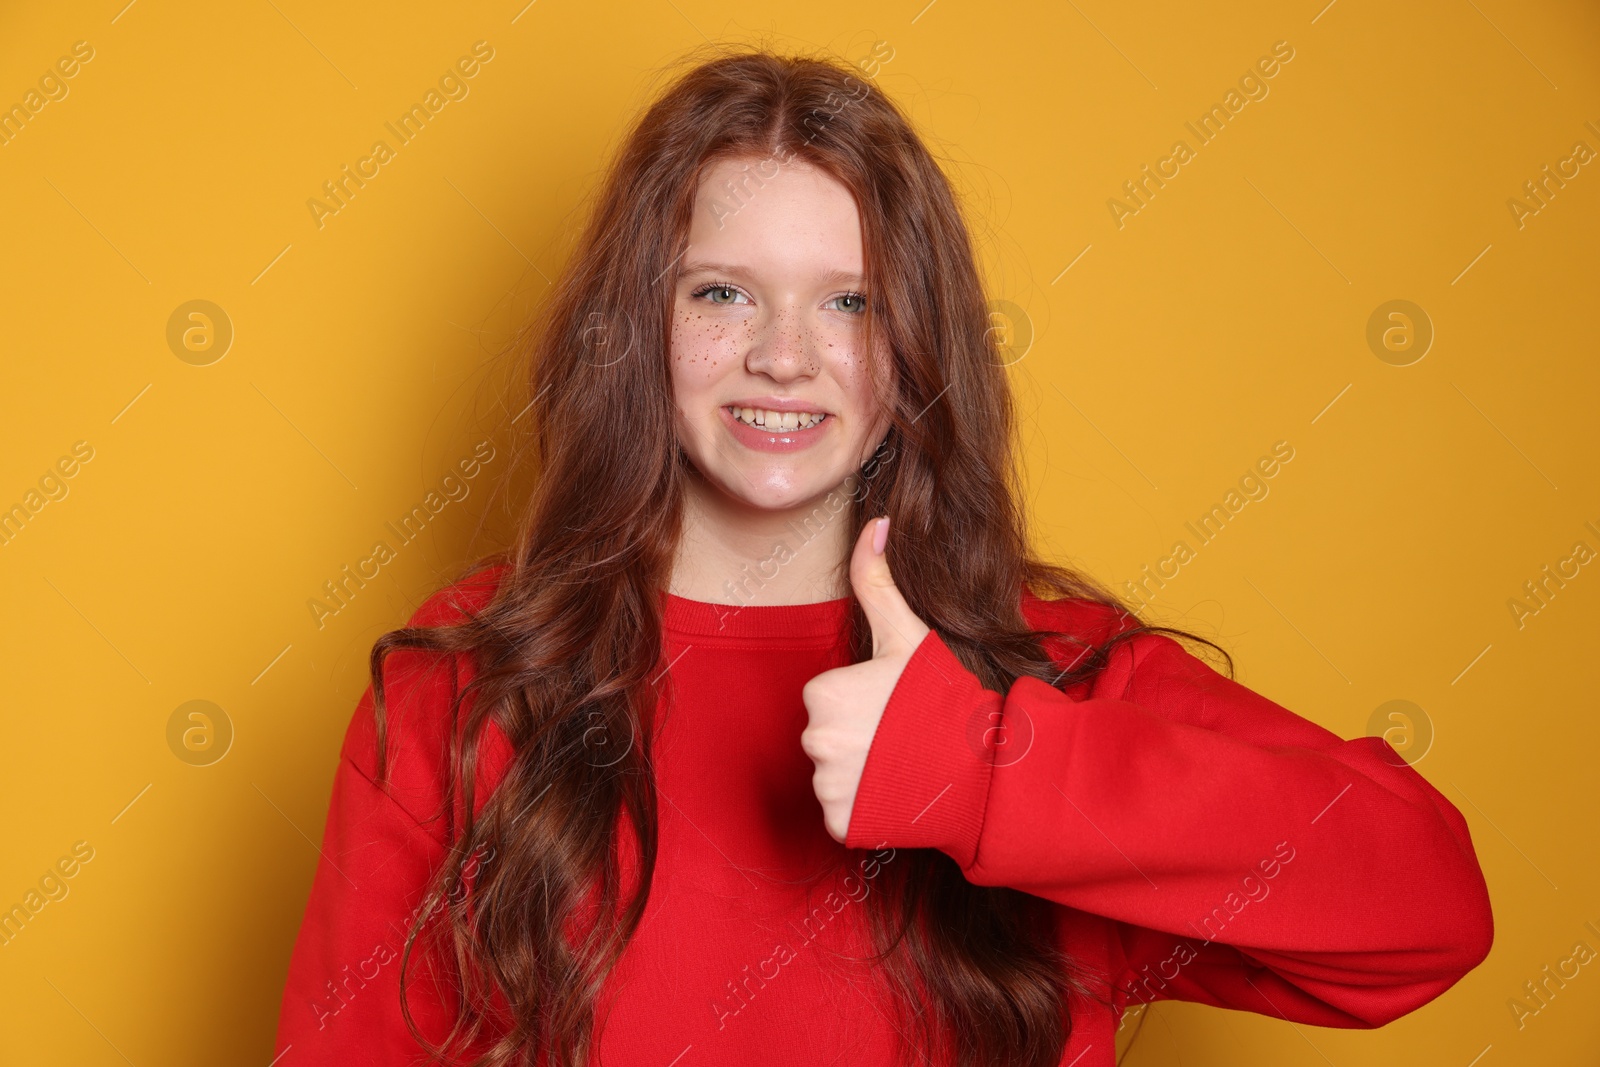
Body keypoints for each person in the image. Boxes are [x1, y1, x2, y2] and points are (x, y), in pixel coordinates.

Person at [270, 47, 1493, 1067]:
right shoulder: (475, 675)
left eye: (847, 303)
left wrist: (979, 772)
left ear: (914, 347)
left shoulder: (1043, 677)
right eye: (721, 295)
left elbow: (1427, 908)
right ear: (637, 322)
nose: (786, 357)